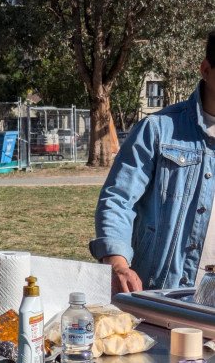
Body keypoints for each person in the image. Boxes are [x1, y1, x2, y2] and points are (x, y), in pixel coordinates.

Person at [90, 31, 215, 294]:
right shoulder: (157, 130)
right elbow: (119, 199)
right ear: (206, 70)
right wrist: (117, 263)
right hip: (164, 294)